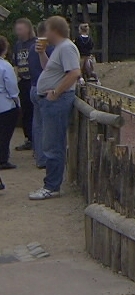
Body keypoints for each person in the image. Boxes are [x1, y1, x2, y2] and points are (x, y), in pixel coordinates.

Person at [29, 16, 81, 201]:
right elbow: (48, 69)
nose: (43, 34)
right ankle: (51, 184)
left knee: (53, 144)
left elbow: (74, 72)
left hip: (56, 101)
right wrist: (42, 53)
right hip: (48, 100)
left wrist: (57, 92)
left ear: (53, 30)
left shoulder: (66, 47)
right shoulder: (59, 49)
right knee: (49, 142)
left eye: (46, 30)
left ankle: (52, 186)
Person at [29, 21, 54, 169]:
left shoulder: (32, 47)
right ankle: (45, 158)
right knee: (46, 126)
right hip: (44, 90)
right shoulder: (48, 47)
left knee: (37, 125)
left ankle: (39, 156)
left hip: (33, 87)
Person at [12, 18, 36, 151]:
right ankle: (28, 139)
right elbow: (15, 63)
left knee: (34, 111)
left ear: (27, 29)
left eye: (20, 29)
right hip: (22, 81)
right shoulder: (17, 45)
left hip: (32, 81)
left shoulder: (35, 43)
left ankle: (36, 138)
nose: (18, 32)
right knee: (25, 111)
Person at [0, 36, 21, 175]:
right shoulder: (5, 66)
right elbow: (12, 86)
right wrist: (16, 99)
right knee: (4, 134)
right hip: (5, 104)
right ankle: (3, 159)